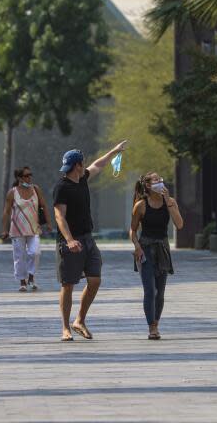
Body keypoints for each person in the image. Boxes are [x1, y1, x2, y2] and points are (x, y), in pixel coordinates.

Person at [53, 141, 127, 342]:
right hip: (70, 241)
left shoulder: (83, 178)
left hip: (88, 238)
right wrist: (69, 240)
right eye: (82, 163)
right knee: (68, 285)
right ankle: (65, 328)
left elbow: (99, 164)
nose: (85, 165)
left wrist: (114, 151)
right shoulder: (62, 187)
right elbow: (59, 216)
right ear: (77, 165)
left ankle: (80, 320)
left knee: (94, 280)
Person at [130, 172, 184, 340]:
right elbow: (132, 230)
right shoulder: (141, 205)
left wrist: (168, 202)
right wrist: (137, 246)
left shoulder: (170, 202)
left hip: (162, 247)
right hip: (145, 248)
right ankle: (152, 327)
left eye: (161, 179)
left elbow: (180, 224)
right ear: (147, 185)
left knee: (160, 292)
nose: (160, 182)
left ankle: (156, 322)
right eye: (155, 180)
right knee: (150, 290)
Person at [0, 166, 53, 292]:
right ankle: (22, 281)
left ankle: (31, 277)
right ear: (19, 178)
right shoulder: (12, 192)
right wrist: (4, 230)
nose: (29, 178)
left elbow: (44, 206)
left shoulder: (36, 189)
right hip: (17, 229)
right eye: (26, 175)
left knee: (35, 252)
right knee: (19, 256)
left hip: (34, 228)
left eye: (31, 175)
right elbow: (6, 212)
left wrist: (49, 223)